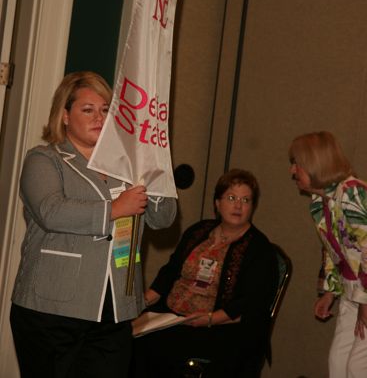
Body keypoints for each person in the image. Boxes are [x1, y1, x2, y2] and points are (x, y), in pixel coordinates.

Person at [10, 71, 177, 378]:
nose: (99, 117)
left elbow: (163, 218)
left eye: (105, 110)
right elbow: (51, 212)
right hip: (52, 309)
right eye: (88, 110)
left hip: (115, 311)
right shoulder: (44, 160)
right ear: (64, 115)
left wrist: (155, 169)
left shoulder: (127, 165)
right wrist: (114, 208)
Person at [131, 168, 279, 378]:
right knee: (128, 340)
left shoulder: (259, 249)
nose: (238, 205)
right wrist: (142, 302)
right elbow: (172, 270)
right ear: (217, 203)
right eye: (231, 197)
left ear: (252, 207)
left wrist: (210, 318)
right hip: (171, 315)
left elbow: (252, 303)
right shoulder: (199, 231)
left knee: (158, 348)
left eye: (246, 200)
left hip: (219, 327)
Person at [289, 131, 367, 378]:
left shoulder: (352, 193)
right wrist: (330, 292)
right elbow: (336, 252)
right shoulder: (319, 201)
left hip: (365, 291)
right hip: (352, 289)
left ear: (314, 164)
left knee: (357, 368)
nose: (292, 171)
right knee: (337, 363)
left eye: (296, 164)